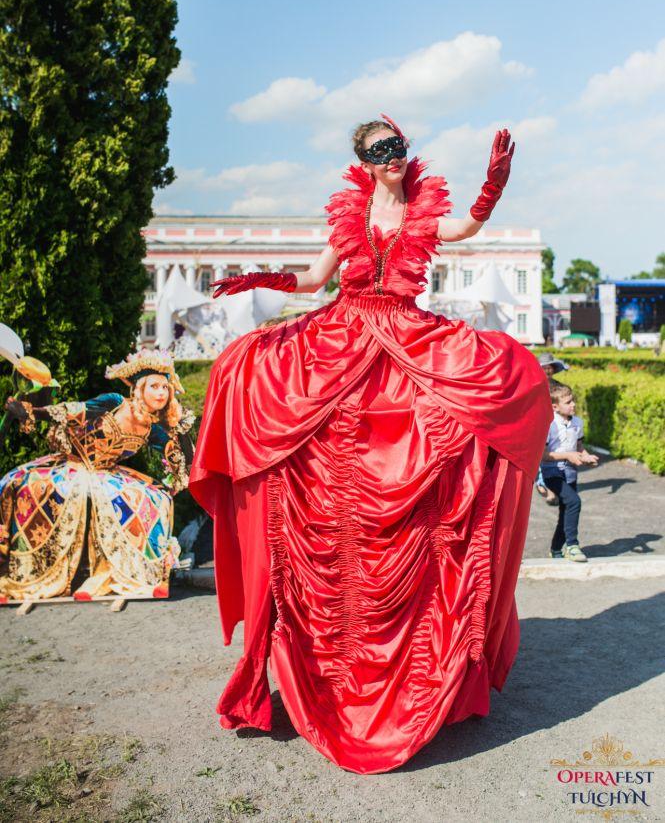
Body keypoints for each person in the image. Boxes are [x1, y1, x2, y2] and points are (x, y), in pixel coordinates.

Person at [190, 116, 551, 774]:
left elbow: (465, 228)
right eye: (379, 151)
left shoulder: (424, 211)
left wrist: (492, 183)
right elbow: (313, 280)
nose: (392, 158)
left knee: (512, 376)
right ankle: (316, 647)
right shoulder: (348, 216)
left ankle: (431, 636)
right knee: (243, 368)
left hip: (408, 336)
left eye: (399, 148)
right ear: (360, 159)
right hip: (345, 331)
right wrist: (257, 279)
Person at [0, 350, 194, 600]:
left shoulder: (153, 427)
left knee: (153, 499)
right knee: (25, 486)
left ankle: (132, 575)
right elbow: (73, 411)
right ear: (138, 388)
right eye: (154, 386)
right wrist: (30, 411)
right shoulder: (116, 403)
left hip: (108, 474)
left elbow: (183, 461)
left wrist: (181, 427)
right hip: (73, 466)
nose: (161, 393)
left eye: (165, 388)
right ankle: (21, 573)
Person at [541, 383, 598, 562]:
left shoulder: (577, 423)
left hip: (571, 473)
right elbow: (543, 455)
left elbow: (580, 448)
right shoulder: (549, 425)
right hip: (552, 474)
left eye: (572, 400)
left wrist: (587, 457)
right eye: (568, 402)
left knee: (566, 510)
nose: (573, 404)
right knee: (574, 502)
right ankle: (572, 546)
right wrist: (568, 455)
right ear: (555, 406)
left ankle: (556, 549)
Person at [534, 353, 570, 505]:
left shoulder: (559, 387)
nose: (547, 371)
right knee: (540, 455)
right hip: (538, 425)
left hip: (555, 426)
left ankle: (548, 486)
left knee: (551, 455)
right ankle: (542, 483)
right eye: (544, 367)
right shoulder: (533, 384)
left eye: (549, 367)